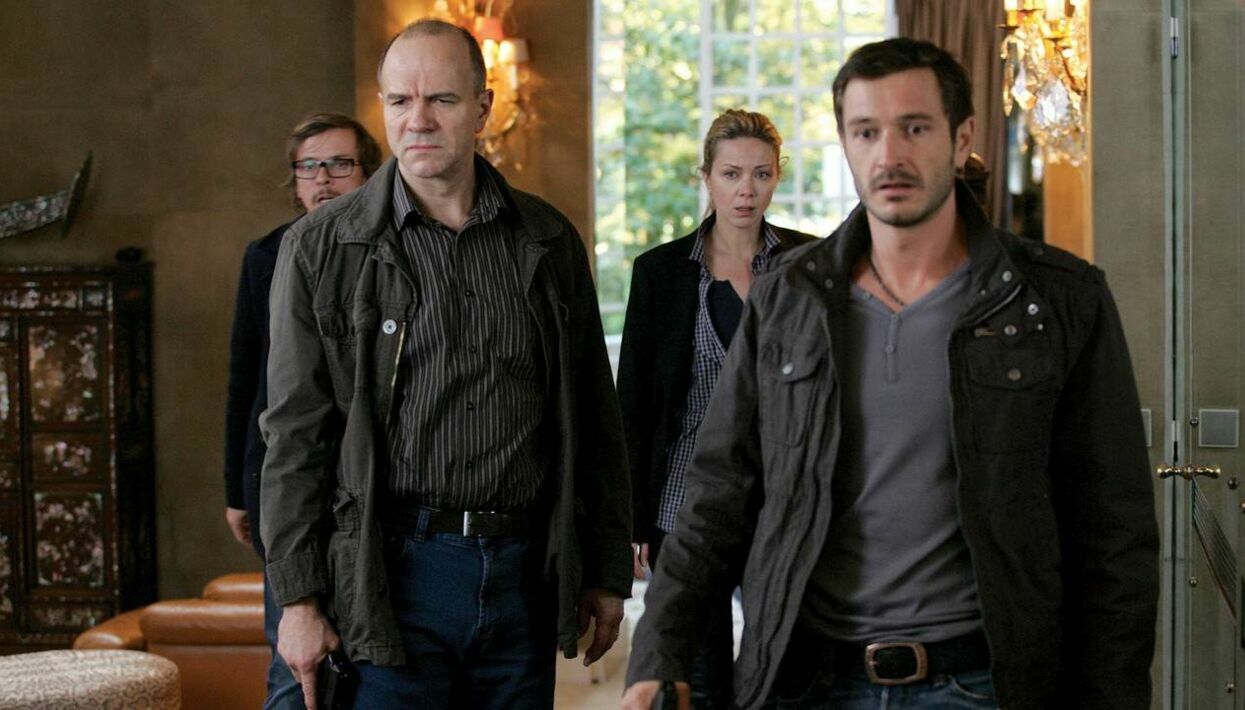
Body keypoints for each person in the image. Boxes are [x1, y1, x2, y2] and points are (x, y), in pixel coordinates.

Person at [623, 37, 1157, 709]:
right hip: (811, 681)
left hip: (981, 683)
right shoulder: (788, 298)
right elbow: (716, 492)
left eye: (915, 128)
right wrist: (658, 652)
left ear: (962, 139)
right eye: (866, 132)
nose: (889, 155)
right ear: (846, 145)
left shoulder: (1057, 299)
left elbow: (1113, 536)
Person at [259, 18, 632, 710]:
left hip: (523, 573)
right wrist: (299, 601)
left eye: (442, 100)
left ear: (483, 109)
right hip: (393, 574)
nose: (419, 120)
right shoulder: (319, 248)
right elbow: (294, 436)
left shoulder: (548, 240)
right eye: (400, 101)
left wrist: (608, 571)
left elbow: (594, 419)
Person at [617, 109, 814, 709]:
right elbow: (634, 403)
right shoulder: (660, 273)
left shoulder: (810, 264)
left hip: (784, 500)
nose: (746, 190)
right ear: (706, 177)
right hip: (684, 504)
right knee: (695, 678)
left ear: (777, 176)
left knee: (780, 670)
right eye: (731, 174)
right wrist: (632, 522)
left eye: (761, 174)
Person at [223, 111, 380, 710]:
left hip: (368, 480)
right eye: (309, 167)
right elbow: (247, 381)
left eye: (339, 164)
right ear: (293, 180)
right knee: (294, 665)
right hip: (285, 481)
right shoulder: (265, 256)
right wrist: (238, 489)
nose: (323, 179)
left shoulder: (392, 249)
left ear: (368, 173)